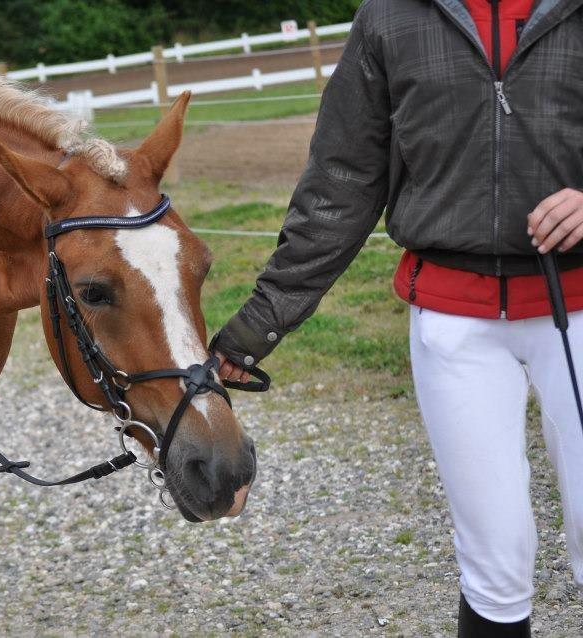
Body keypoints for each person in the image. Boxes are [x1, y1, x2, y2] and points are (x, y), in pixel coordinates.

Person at [211, 0, 583, 635]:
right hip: (454, 329)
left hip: (578, 311)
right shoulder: (387, 16)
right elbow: (341, 180)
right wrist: (256, 326)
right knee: (493, 565)